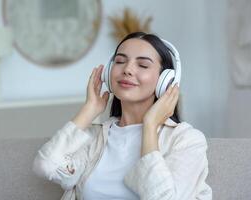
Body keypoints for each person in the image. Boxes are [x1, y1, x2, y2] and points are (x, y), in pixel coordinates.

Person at [32, 32, 212, 200]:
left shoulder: (186, 140)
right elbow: (46, 166)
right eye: (119, 61)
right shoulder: (95, 139)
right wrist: (90, 109)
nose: (127, 69)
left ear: (166, 81)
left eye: (142, 65)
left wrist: (149, 126)